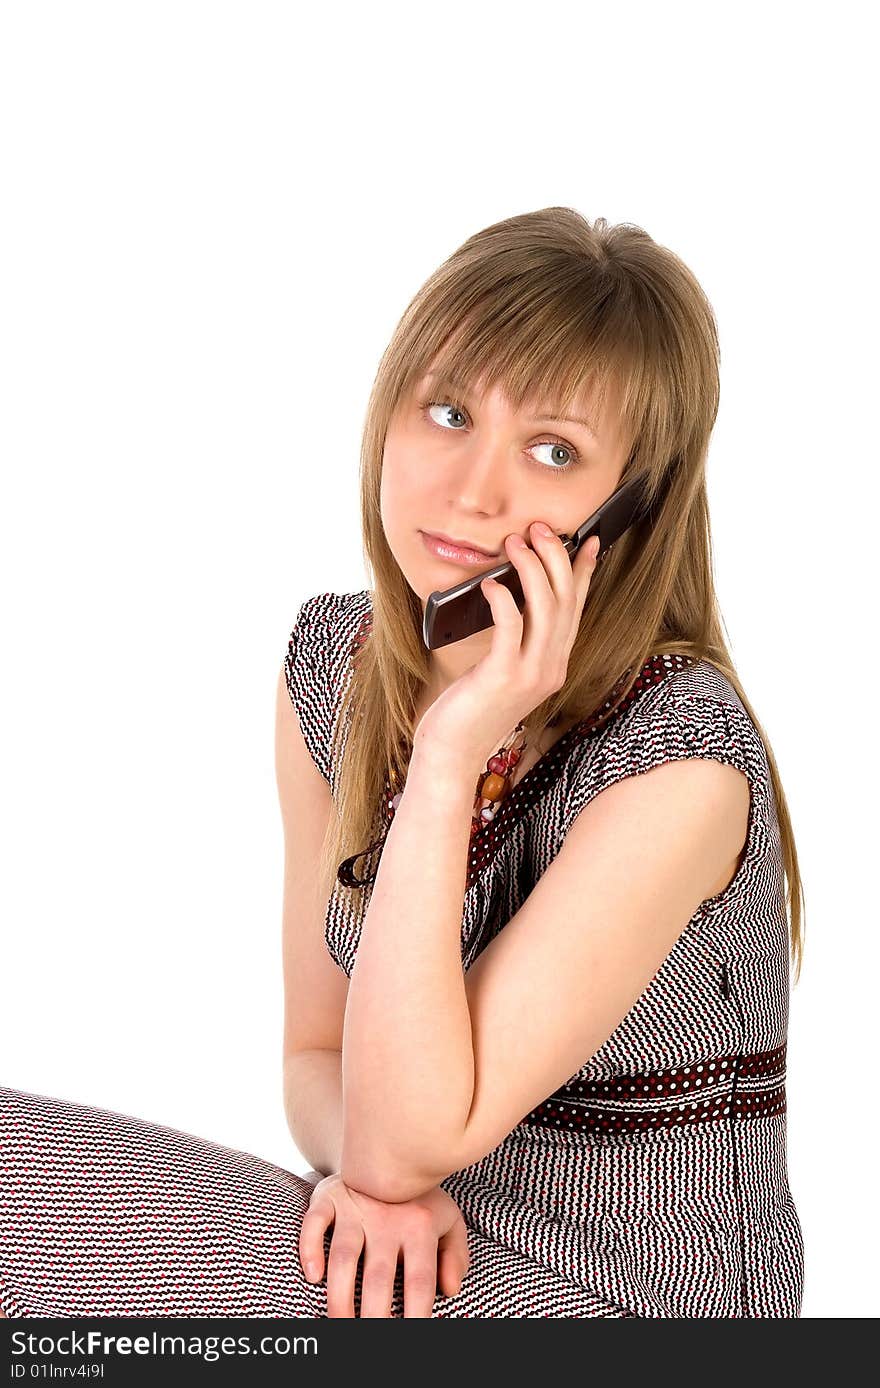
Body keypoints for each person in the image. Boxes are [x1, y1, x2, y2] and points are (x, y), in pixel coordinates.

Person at [0, 207, 805, 1319]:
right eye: (447, 411)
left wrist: (446, 754)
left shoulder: (677, 756)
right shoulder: (334, 668)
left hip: (621, 1295)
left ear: (631, 508)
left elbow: (404, 1134)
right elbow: (316, 1054)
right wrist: (381, 1180)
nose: (473, 491)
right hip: (406, 1240)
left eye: (553, 450)